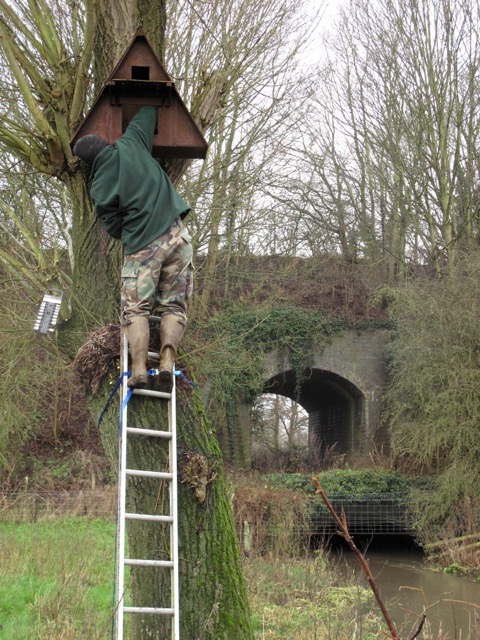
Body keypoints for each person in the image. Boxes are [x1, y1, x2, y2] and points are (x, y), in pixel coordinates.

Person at [73, 105, 193, 391]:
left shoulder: (99, 185)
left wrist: (133, 227)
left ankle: (139, 368)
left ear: (89, 163)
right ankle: (166, 361)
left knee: (136, 309)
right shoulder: (132, 142)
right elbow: (149, 113)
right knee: (174, 305)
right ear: (106, 143)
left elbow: (113, 226)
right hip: (177, 235)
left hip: (142, 247)